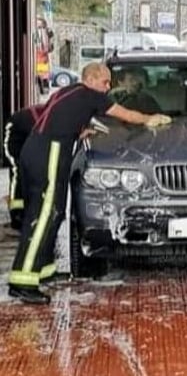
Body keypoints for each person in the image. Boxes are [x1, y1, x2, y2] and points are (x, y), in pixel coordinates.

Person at [7, 62, 172, 305]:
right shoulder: (90, 95)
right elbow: (126, 114)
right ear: (92, 78)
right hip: (49, 154)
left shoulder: (66, 92)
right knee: (43, 215)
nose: (107, 87)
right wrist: (150, 118)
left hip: (36, 150)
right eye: (105, 82)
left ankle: (42, 269)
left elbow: (55, 118)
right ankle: (22, 281)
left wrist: (78, 131)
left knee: (53, 213)